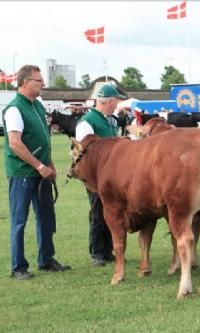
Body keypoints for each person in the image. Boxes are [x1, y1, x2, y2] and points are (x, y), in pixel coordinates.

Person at [2, 65, 71, 280]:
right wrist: (39, 166)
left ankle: (46, 259)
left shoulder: (38, 106)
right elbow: (15, 143)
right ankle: (18, 267)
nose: (43, 84)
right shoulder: (15, 109)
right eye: (38, 81)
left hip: (41, 172)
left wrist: (48, 164)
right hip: (22, 172)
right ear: (25, 83)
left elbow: (44, 140)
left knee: (46, 217)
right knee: (20, 220)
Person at [75, 84, 126, 266]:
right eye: (116, 101)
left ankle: (108, 250)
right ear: (110, 102)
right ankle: (97, 252)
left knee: (110, 211)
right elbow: (84, 151)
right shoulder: (87, 122)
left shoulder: (110, 120)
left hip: (112, 175)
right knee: (97, 212)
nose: (117, 105)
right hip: (96, 176)